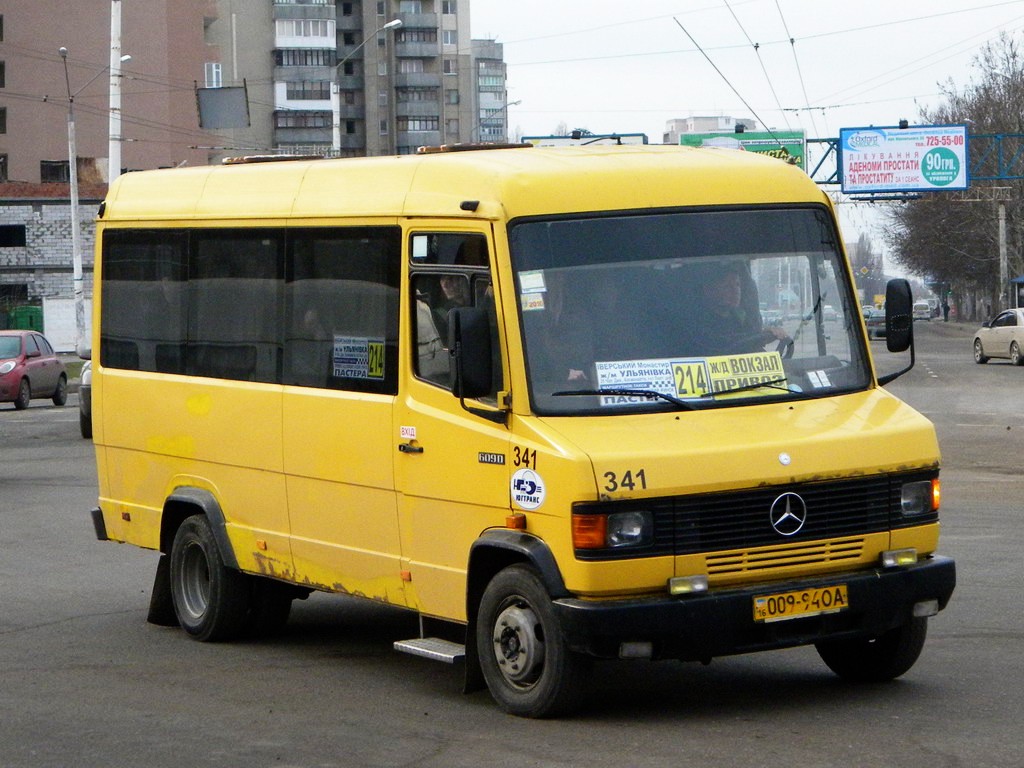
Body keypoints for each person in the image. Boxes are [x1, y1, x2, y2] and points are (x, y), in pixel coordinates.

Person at [696, 262, 788, 355]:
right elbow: (723, 345)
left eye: (737, 285)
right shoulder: (701, 323)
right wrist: (759, 338)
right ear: (709, 291)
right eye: (727, 286)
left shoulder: (741, 318)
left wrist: (768, 333)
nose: (735, 291)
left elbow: (747, 340)